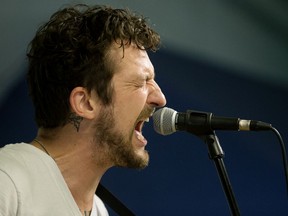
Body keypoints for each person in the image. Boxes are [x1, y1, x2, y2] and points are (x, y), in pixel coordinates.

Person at [0, 4, 166, 216]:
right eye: (142, 82)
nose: (160, 98)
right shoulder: (7, 182)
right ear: (85, 103)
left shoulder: (98, 210)